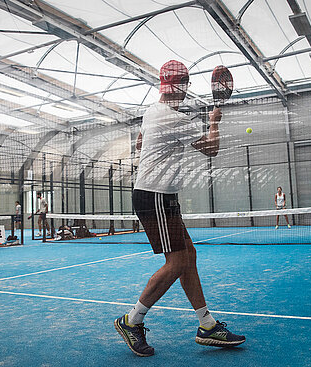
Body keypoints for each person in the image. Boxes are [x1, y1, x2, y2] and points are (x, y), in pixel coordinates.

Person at [114, 60, 245, 357]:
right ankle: (131, 321)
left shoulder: (153, 113)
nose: (185, 90)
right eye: (184, 84)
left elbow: (139, 144)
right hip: (155, 197)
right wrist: (214, 123)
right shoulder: (170, 118)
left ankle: (207, 325)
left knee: (189, 256)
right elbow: (212, 149)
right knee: (176, 263)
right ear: (181, 85)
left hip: (163, 196)